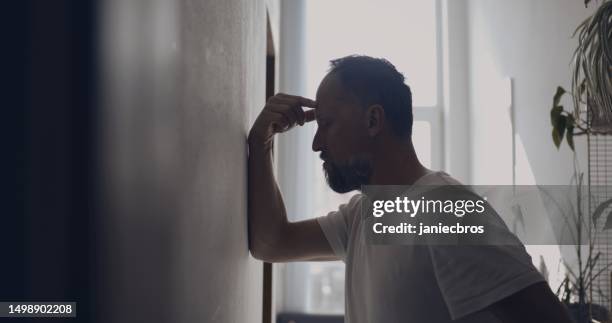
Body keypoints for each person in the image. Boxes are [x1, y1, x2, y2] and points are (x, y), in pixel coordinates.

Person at [247, 55, 572, 323]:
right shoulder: (362, 215)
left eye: (327, 124)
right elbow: (271, 243)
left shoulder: (445, 208)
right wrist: (260, 143)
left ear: (374, 121)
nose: (317, 144)